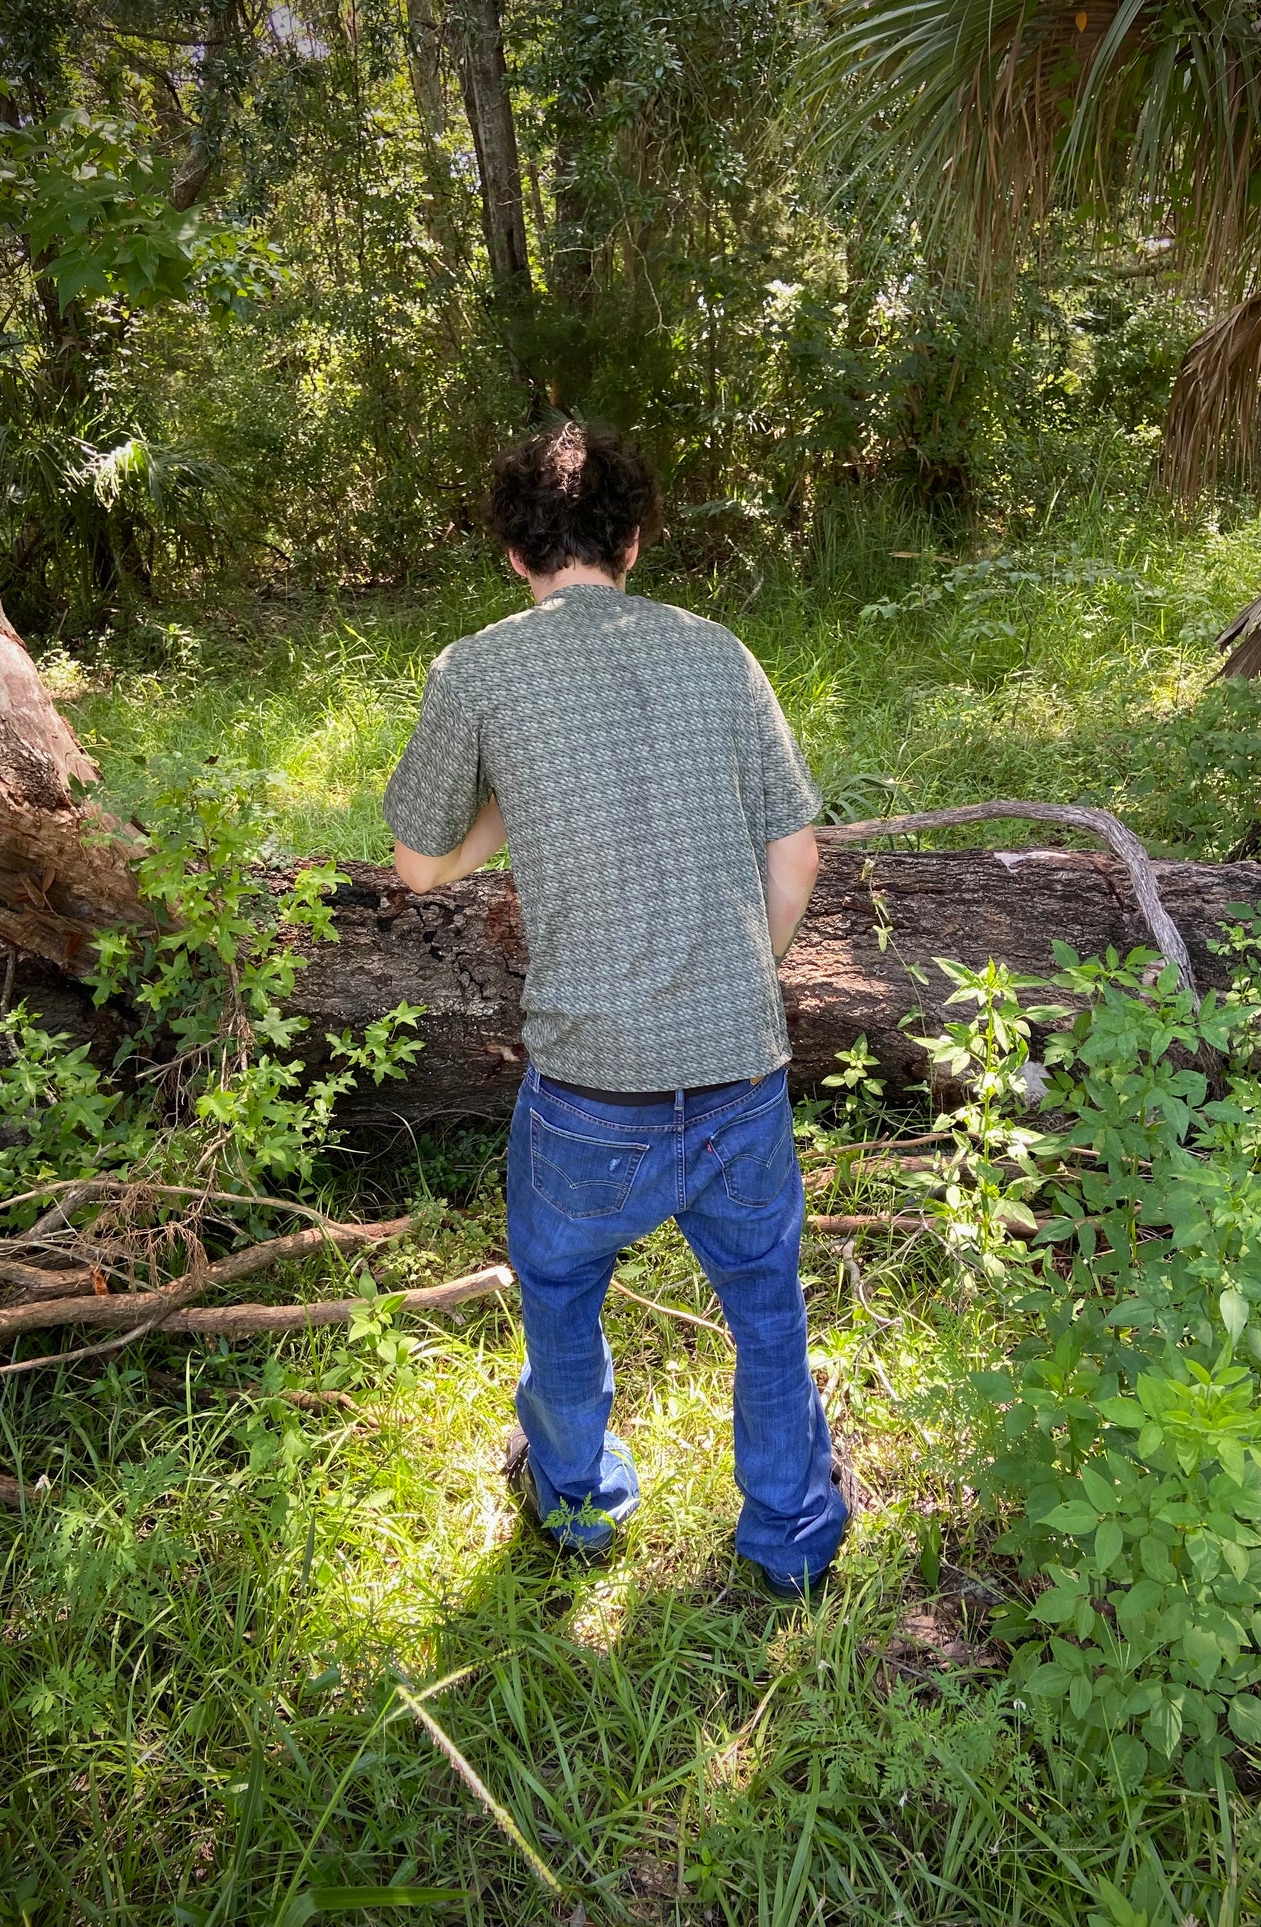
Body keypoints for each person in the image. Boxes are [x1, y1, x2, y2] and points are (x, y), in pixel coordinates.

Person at [382, 421, 847, 1599]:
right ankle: (790, 1534)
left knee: (560, 1298)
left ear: (511, 551)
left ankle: (580, 1501)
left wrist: (513, 811)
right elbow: (794, 857)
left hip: (588, 1084)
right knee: (766, 1313)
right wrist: (744, 974)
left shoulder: (476, 668)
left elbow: (418, 865)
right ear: (634, 539)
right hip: (736, 1071)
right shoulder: (720, 654)